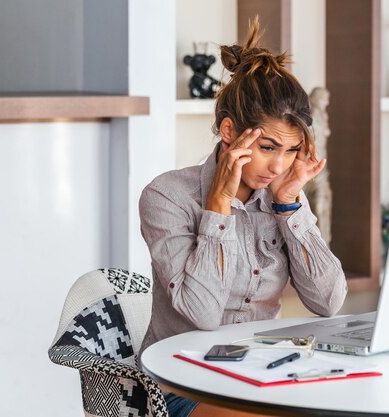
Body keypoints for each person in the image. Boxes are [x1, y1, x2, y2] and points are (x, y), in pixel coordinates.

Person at [138, 17, 348, 417]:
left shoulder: (282, 195)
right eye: (268, 147)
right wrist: (219, 205)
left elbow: (329, 302)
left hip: (266, 373)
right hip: (183, 384)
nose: (279, 165)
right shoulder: (167, 197)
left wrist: (290, 205)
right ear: (231, 131)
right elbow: (203, 315)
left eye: (290, 151)